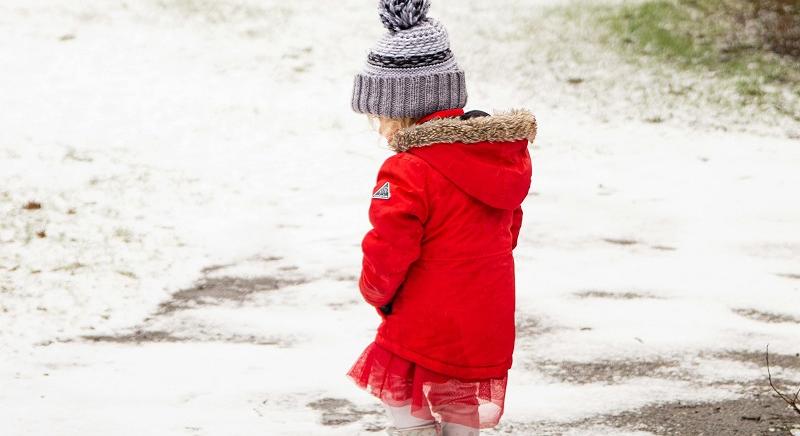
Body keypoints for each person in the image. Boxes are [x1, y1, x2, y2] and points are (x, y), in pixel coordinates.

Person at [347, 1, 536, 435]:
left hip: (424, 324)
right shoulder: (497, 159)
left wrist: (377, 292)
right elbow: (508, 231)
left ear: (407, 109)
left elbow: (388, 248)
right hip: (484, 320)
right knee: (460, 414)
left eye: (382, 117)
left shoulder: (408, 169)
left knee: (407, 413)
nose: (380, 130)